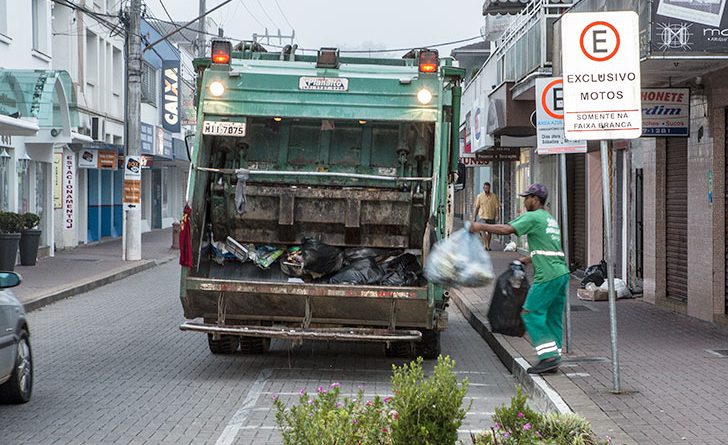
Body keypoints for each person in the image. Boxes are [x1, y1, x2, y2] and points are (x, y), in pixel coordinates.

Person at [470, 183, 569, 374]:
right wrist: (526, 259)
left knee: (530, 313)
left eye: (527, 197)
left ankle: (548, 358)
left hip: (547, 275)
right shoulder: (549, 219)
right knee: (553, 317)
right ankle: (554, 356)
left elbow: (507, 229)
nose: (524, 201)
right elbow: (548, 248)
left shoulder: (532, 216)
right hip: (561, 273)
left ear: (536, 199)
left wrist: (480, 225)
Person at [472, 182, 500, 251]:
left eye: (487, 188)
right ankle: (485, 245)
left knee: (490, 232)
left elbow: (497, 207)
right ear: (483, 188)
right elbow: (477, 207)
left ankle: (488, 245)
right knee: (483, 231)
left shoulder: (494, 196)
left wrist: (497, 215)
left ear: (489, 188)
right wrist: (474, 217)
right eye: (485, 188)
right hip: (483, 216)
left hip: (491, 216)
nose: (486, 189)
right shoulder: (480, 196)